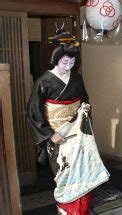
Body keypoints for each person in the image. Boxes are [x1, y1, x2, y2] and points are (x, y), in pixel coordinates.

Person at [27, 28, 109, 214]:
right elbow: (34, 112)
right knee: (64, 175)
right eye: (65, 62)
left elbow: (85, 101)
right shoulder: (44, 82)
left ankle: (82, 210)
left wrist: (85, 110)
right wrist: (49, 134)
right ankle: (66, 211)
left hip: (77, 136)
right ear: (56, 59)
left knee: (82, 172)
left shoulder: (77, 79)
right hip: (58, 137)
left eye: (72, 62)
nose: (68, 66)